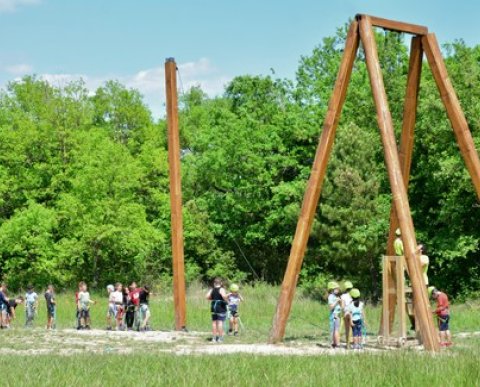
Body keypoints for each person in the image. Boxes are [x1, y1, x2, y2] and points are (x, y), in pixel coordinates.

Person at [206, 277, 228, 343]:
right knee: (220, 322)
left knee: (214, 322)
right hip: (220, 306)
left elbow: (207, 297)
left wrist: (212, 298)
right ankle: (220, 338)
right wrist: (227, 301)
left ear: (214, 283)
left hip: (213, 307)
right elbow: (224, 296)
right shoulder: (222, 289)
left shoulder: (212, 289)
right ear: (221, 283)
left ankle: (214, 338)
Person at [327, 281, 342, 348]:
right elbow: (331, 307)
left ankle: (334, 343)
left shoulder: (336, 296)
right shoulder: (330, 296)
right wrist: (337, 301)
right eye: (336, 289)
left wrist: (340, 301)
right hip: (333, 315)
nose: (338, 290)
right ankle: (337, 344)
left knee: (336, 329)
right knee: (335, 330)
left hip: (337, 315)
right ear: (332, 290)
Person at [340, 280, 354, 348]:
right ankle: (353, 343)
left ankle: (347, 344)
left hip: (346, 313)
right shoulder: (353, 294)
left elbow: (342, 306)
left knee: (347, 329)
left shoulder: (343, 296)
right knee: (352, 328)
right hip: (353, 313)